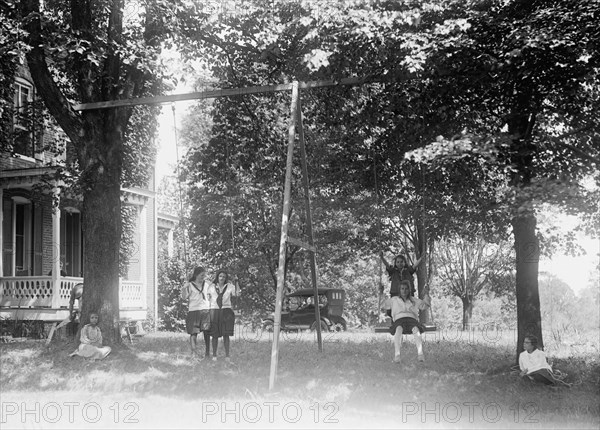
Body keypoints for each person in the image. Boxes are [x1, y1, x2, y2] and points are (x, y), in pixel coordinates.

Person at [381, 280, 431, 363]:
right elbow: (383, 305)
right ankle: (397, 355)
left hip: (412, 320)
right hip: (399, 320)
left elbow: (425, 306)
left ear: (409, 290)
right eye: (402, 289)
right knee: (399, 329)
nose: (404, 291)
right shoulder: (394, 300)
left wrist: (426, 293)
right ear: (399, 290)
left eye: (406, 289)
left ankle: (420, 354)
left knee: (416, 329)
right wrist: (381, 293)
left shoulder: (413, 300)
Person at [181, 266, 214, 360]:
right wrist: (184, 288)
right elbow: (184, 297)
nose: (202, 277)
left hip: (205, 310)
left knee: (207, 332)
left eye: (204, 275)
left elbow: (214, 292)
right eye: (201, 275)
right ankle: (193, 353)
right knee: (193, 333)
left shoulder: (207, 283)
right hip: (193, 311)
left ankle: (207, 353)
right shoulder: (190, 285)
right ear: (196, 274)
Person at [209, 270, 239, 363]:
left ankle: (227, 356)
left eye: (224, 277)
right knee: (215, 334)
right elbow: (207, 299)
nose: (222, 278)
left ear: (226, 278)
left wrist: (237, 282)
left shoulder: (230, 287)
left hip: (226, 311)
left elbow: (237, 294)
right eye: (220, 276)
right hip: (215, 311)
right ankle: (214, 355)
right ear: (217, 277)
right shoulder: (211, 287)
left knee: (226, 335)